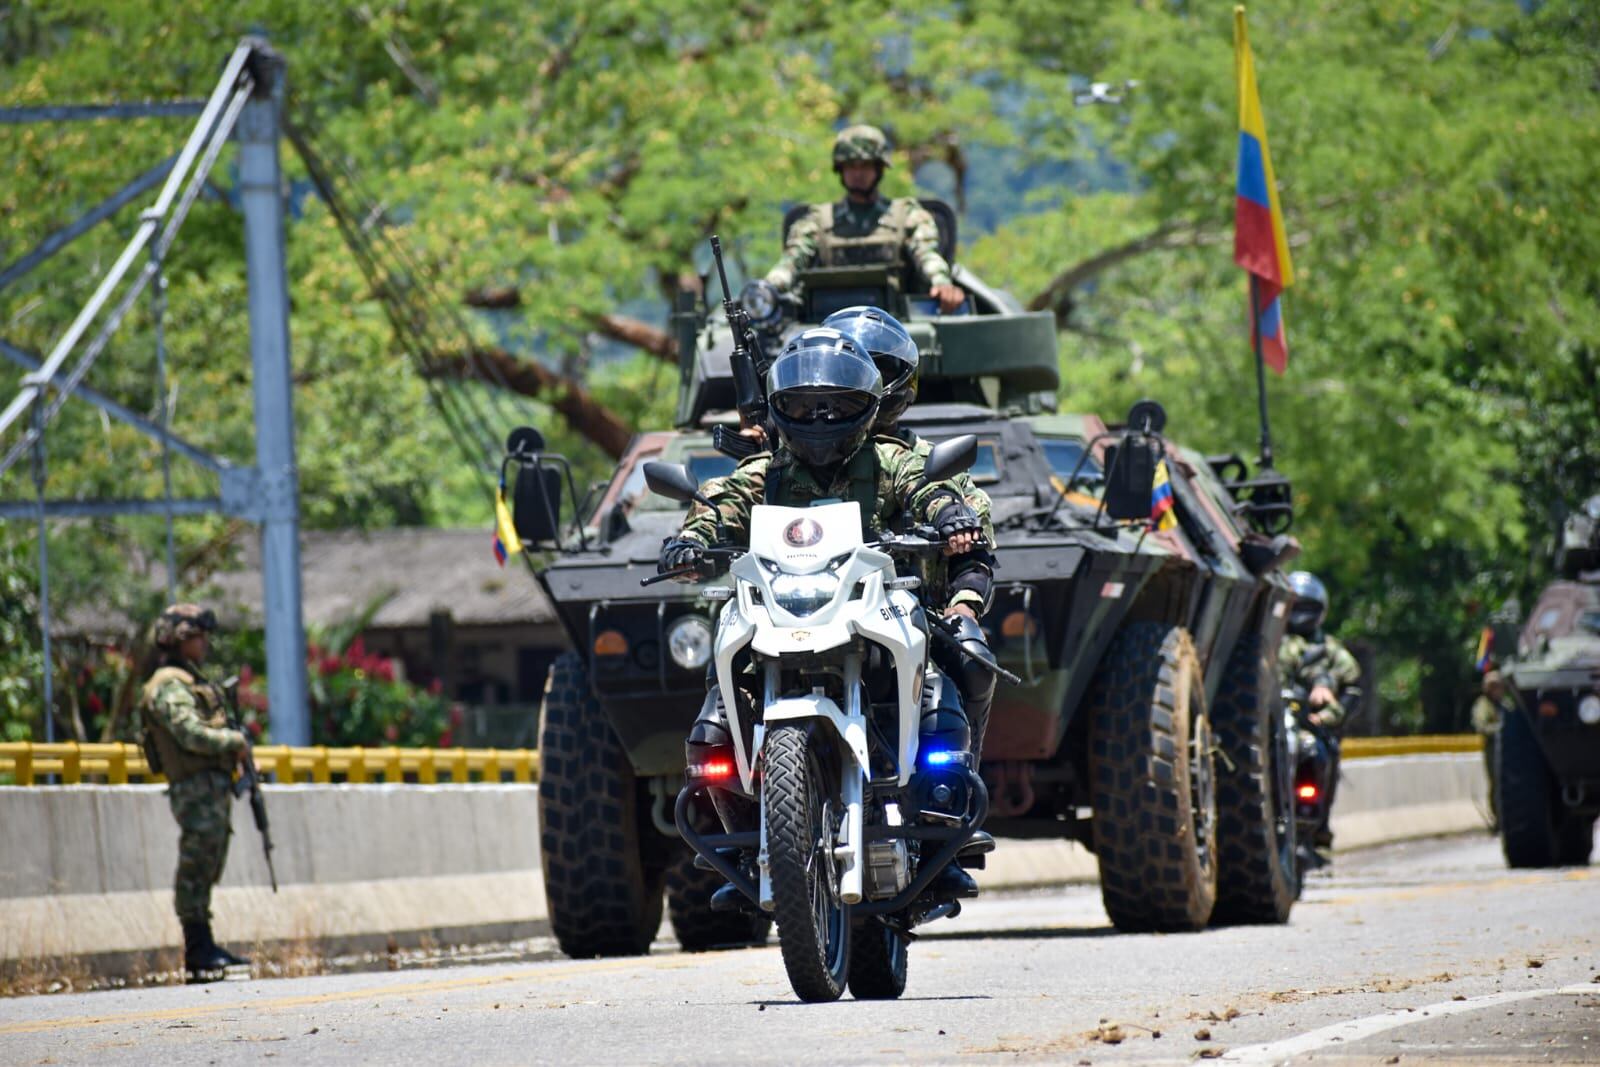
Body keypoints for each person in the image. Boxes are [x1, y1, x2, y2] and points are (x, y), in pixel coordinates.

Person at [661, 327, 990, 900]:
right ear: (780, 407)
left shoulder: (888, 459)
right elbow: (721, 502)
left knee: (961, 666)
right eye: (804, 406)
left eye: (835, 406)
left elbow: (927, 489)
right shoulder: (768, 468)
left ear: (866, 406)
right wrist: (690, 539)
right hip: (784, 607)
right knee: (719, 696)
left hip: (872, 603)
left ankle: (947, 832)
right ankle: (739, 836)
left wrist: (950, 514)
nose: (819, 418)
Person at [822, 305, 998, 766]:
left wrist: (963, 605)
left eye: (874, 369)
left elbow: (972, 551)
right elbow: (736, 497)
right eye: (849, 369)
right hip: (803, 610)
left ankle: (961, 779)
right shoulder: (788, 459)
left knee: (972, 657)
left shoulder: (920, 463)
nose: (864, 382)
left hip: (909, 617)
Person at [139, 603, 252, 981]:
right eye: (198, 636)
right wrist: (232, 740)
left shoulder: (190, 679)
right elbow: (187, 732)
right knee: (196, 862)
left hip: (210, 787)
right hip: (193, 788)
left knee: (208, 860)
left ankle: (205, 944)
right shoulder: (169, 683)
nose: (205, 643)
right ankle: (197, 947)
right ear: (180, 640)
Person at [765, 124, 966, 313]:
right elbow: (791, 262)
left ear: (879, 169)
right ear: (840, 170)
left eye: (865, 166)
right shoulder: (816, 222)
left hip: (896, 327)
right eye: (851, 166)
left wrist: (941, 282)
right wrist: (767, 288)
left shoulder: (907, 216)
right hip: (827, 331)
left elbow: (927, 254)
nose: (858, 173)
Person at [1278, 571, 1361, 859]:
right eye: (1294, 605)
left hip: (1310, 728)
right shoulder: (1268, 641)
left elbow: (1352, 689)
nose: (1299, 613)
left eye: (1306, 607)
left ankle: (1315, 833)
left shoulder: (1329, 650)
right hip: (1272, 723)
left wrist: (1324, 714)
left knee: (1318, 756)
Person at [1472, 669, 1512, 830]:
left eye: (1500, 687)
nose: (1498, 691)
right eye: (1494, 687)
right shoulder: (1483, 706)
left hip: (1508, 750)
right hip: (1493, 750)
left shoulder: (1505, 705)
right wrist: (1500, 730)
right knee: (1496, 784)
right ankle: (1498, 818)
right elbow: (1481, 726)